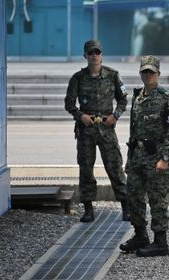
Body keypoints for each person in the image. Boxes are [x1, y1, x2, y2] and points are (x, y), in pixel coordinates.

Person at [119, 55, 169, 257]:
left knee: (157, 199)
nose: (148, 75)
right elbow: (133, 131)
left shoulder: (167, 98)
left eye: (151, 72)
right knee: (134, 196)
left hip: (156, 158)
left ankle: (161, 242)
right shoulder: (137, 97)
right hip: (137, 157)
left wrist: (166, 158)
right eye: (144, 71)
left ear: (158, 74)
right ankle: (140, 235)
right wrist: (129, 158)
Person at [64, 40, 129, 222]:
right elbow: (69, 103)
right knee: (86, 168)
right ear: (85, 56)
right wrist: (80, 116)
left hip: (107, 127)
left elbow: (123, 100)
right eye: (91, 53)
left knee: (115, 167)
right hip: (87, 129)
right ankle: (88, 209)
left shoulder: (113, 75)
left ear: (102, 55)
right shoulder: (77, 78)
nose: (95, 56)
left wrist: (115, 116)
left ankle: (126, 206)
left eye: (97, 52)